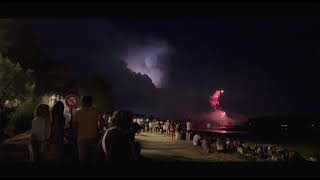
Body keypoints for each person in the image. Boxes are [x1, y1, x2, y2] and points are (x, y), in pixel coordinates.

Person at [74, 96, 102, 162]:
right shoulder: (96, 111)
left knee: (82, 159)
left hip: (81, 138)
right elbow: (101, 123)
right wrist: (98, 130)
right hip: (94, 137)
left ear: (83, 102)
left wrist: (76, 135)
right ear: (91, 102)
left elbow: (75, 125)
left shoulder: (78, 112)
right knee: (93, 158)